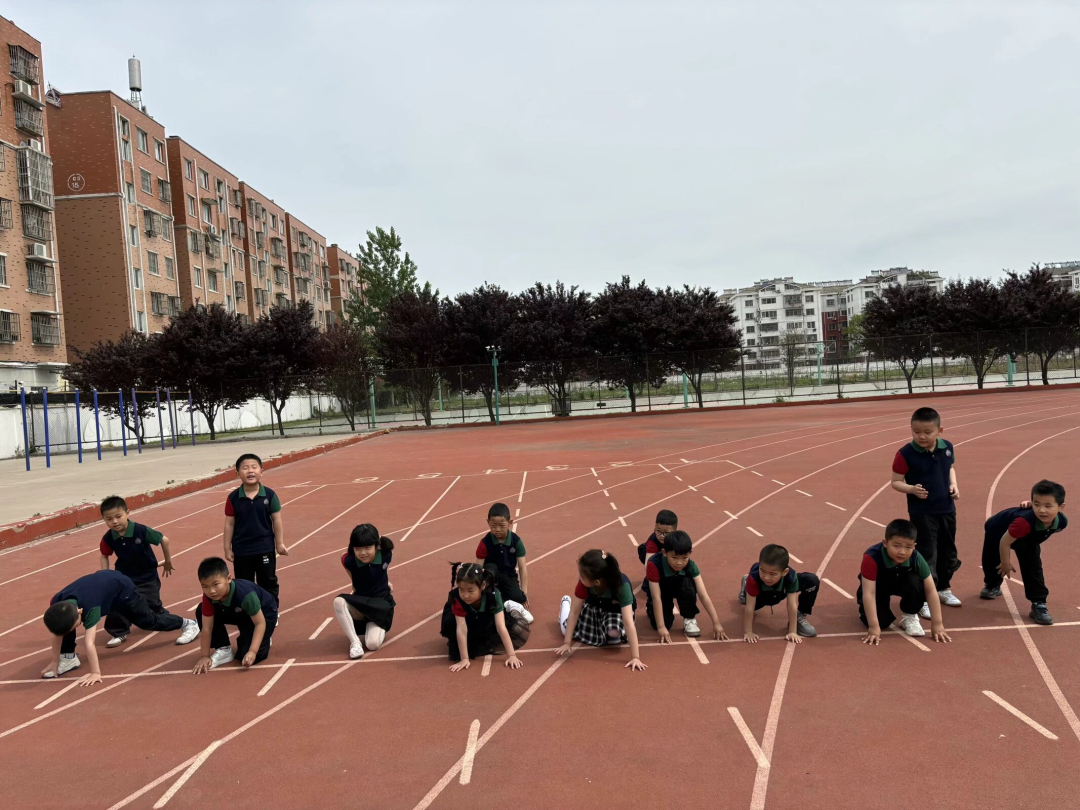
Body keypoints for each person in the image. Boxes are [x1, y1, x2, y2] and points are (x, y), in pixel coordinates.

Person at [42, 570, 199, 684]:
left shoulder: (90, 609)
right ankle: (68, 658)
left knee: (149, 621)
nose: (74, 629)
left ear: (80, 611)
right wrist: (54, 661)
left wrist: (95, 673)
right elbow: (57, 633)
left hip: (123, 590)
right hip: (103, 586)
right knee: (64, 626)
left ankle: (188, 624)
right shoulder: (57, 603)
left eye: (75, 625)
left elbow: (89, 643)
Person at [890, 406, 960, 619]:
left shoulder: (947, 447)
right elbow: (895, 482)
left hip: (947, 509)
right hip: (922, 512)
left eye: (927, 432)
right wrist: (911, 489)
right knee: (928, 554)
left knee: (948, 553)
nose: (921, 436)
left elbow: (950, 468)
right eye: (916, 431)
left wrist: (954, 485)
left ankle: (943, 589)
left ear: (940, 431)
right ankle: (922, 599)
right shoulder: (905, 454)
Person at [981, 480, 1068, 626]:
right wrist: (1006, 563)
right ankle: (992, 585)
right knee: (992, 561)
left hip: (1027, 538)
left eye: (1048, 506)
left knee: (1033, 568)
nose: (1042, 510)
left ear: (1061, 507)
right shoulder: (1024, 521)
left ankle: (1039, 603)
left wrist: (1032, 504)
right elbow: (1005, 542)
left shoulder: (1061, 522)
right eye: (1036, 504)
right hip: (998, 532)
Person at [97, 495, 176, 648]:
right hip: (124, 577)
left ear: (128, 513)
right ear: (104, 520)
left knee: (151, 603)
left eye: (118, 516)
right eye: (109, 519)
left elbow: (164, 540)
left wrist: (168, 561)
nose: (114, 521)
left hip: (147, 575)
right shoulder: (108, 538)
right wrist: (105, 574)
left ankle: (162, 616)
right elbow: (104, 555)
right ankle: (119, 632)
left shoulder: (140, 531)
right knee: (118, 603)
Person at [857, 519, 951, 645]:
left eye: (908, 547)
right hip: (878, 586)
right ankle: (877, 613)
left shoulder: (916, 557)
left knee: (917, 581)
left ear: (914, 546)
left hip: (903, 582)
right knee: (881, 622)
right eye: (896, 546)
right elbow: (869, 593)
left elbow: (930, 590)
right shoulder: (871, 557)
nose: (902, 552)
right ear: (885, 543)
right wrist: (874, 628)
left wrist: (937, 623)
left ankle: (910, 614)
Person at [556, 549, 646, 671]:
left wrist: (635, 657)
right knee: (565, 629)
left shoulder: (621, 586)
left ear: (597, 582)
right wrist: (567, 642)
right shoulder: (583, 584)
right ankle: (565, 604)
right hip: (594, 609)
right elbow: (575, 612)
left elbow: (628, 621)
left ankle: (600, 631)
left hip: (615, 612)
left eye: (582, 576)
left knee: (614, 635)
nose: (579, 578)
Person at [192, 557, 278, 673]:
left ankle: (265, 638)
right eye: (205, 586)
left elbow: (260, 623)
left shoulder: (246, 594)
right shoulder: (209, 596)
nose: (211, 591)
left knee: (249, 656)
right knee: (200, 609)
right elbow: (207, 628)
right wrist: (204, 656)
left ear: (228, 578)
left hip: (264, 613)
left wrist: (252, 651)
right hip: (238, 611)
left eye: (216, 584)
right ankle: (223, 649)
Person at [440, 562, 528, 671]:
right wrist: (464, 658)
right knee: (460, 642)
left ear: (482, 586)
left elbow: (500, 626)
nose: (465, 595)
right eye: (461, 590)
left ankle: (512, 606)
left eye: (470, 591)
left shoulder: (493, 595)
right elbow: (461, 628)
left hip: (488, 615)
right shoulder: (457, 598)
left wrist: (511, 656)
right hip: (470, 618)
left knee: (515, 629)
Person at [223, 453, 286, 607]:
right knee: (244, 584)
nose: (250, 471)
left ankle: (270, 610)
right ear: (238, 474)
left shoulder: (270, 495)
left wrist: (279, 543)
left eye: (254, 467)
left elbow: (276, 520)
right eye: (245, 468)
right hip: (242, 550)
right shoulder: (233, 498)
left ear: (261, 471)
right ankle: (249, 611)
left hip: (265, 547)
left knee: (268, 581)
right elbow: (229, 524)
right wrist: (227, 548)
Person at [643, 530, 727, 642]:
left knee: (688, 584)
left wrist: (716, 623)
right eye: (674, 557)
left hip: (680, 586)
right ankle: (651, 608)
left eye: (684, 558)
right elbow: (656, 597)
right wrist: (661, 627)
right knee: (664, 624)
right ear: (664, 552)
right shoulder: (653, 564)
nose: (679, 563)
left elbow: (703, 595)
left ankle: (689, 617)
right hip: (661, 589)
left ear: (690, 554)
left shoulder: (691, 565)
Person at [333, 524, 395, 659]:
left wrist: (386, 581)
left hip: (380, 605)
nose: (363, 553)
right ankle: (355, 643)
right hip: (361, 602)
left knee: (372, 645)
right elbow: (348, 567)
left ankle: (373, 624)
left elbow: (384, 568)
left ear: (376, 545)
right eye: (357, 549)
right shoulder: (348, 560)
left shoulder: (386, 554)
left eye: (367, 548)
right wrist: (354, 586)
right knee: (338, 601)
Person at [740, 543, 819, 643]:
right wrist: (748, 632)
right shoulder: (755, 577)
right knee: (750, 604)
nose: (766, 577)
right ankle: (746, 585)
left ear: (784, 572)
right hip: (761, 593)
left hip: (780, 590)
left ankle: (800, 617)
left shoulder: (790, 577)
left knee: (811, 580)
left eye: (772, 574)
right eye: (762, 571)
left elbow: (791, 605)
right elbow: (750, 607)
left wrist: (792, 632)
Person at [475, 503, 533, 623]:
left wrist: (525, 592)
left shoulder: (516, 541)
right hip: (491, 576)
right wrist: (477, 592)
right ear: (488, 522)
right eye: (493, 526)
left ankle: (504, 600)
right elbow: (478, 569)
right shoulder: (484, 543)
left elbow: (522, 568)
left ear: (510, 523)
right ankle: (494, 598)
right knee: (490, 568)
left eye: (502, 525)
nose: (497, 530)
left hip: (508, 575)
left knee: (518, 598)